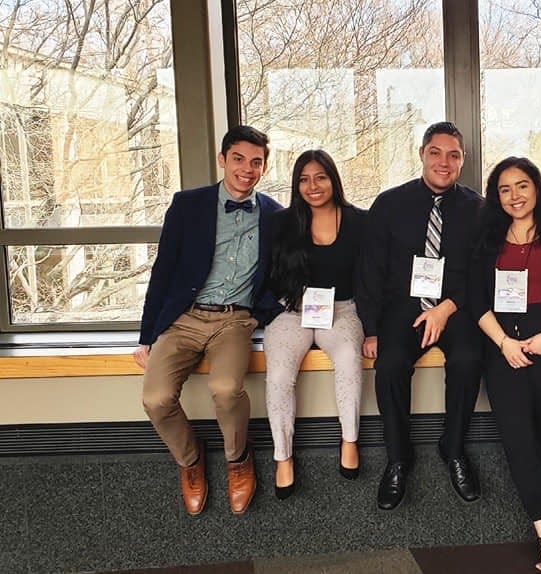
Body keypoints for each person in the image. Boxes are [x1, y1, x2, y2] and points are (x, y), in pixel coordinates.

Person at [135, 125, 283, 515]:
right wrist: (147, 335)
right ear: (222, 160)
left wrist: (263, 309)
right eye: (238, 159)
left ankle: (238, 460)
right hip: (184, 317)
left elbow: (287, 275)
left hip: (234, 322)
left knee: (225, 387)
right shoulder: (187, 205)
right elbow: (163, 270)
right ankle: (190, 461)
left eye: (256, 162)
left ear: (264, 168)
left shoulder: (276, 215)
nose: (246, 169)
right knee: (155, 398)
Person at [356, 121, 484, 510]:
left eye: (454, 155)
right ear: (421, 154)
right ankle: (398, 457)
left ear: (462, 161)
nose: (444, 162)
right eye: (436, 153)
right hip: (402, 308)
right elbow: (370, 270)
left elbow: (482, 272)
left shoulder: (478, 209)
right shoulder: (389, 204)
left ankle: (454, 447)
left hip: (455, 307)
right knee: (391, 364)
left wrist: (448, 307)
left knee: (467, 359)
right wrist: (372, 329)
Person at [469, 157, 541, 573]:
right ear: (495, 197)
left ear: (537, 188)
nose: (514, 196)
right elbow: (476, 302)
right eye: (504, 189)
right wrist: (504, 343)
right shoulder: (486, 243)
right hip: (504, 347)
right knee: (519, 440)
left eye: (522, 186)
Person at [262, 149, 366, 500]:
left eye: (320, 177)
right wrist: (284, 302)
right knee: (278, 374)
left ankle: (349, 439)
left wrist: (375, 327)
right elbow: (266, 277)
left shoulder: (358, 222)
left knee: (350, 358)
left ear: (333, 179)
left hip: (342, 310)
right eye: (304, 179)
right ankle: (283, 456)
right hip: (293, 310)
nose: (313, 186)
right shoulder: (280, 222)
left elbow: (371, 279)